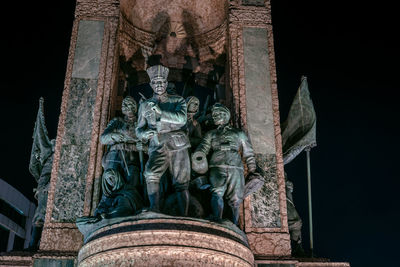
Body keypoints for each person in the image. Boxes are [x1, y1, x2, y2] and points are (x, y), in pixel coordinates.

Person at [136, 65, 191, 216]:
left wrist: (161, 112)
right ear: (151, 85)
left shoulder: (178, 100)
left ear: (166, 84)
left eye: (162, 82)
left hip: (177, 143)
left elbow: (181, 119)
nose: (159, 85)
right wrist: (144, 134)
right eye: (155, 82)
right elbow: (139, 129)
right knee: (150, 173)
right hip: (157, 144)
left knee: (181, 182)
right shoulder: (144, 105)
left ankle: (184, 215)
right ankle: (154, 208)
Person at [193, 103, 256, 225]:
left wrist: (252, 168)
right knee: (216, 192)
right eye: (214, 115)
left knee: (236, 198)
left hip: (235, 167)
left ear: (225, 115)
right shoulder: (211, 134)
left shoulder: (239, 133)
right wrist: (199, 156)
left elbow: (248, 152)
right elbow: (203, 148)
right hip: (217, 166)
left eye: (217, 114)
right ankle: (217, 218)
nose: (214, 117)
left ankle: (234, 223)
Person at [95, 96, 143, 218]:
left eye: (130, 104)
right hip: (114, 155)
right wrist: (114, 136)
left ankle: (125, 208)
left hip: (133, 157)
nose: (126, 107)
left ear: (135, 108)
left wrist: (140, 145)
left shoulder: (141, 122)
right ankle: (103, 209)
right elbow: (103, 138)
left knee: (132, 183)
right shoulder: (117, 121)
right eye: (124, 104)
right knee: (110, 180)